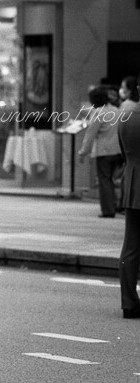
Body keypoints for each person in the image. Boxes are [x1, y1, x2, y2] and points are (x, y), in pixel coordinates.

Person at [78, 87, 123, 218]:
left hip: (104, 151)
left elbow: (90, 135)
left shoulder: (98, 113)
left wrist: (82, 152)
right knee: (111, 180)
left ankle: (108, 210)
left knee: (104, 181)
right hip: (118, 150)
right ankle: (114, 204)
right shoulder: (116, 110)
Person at [118, 78, 140, 319]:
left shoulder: (126, 114)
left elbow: (124, 152)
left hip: (133, 180)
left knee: (131, 246)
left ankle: (128, 301)